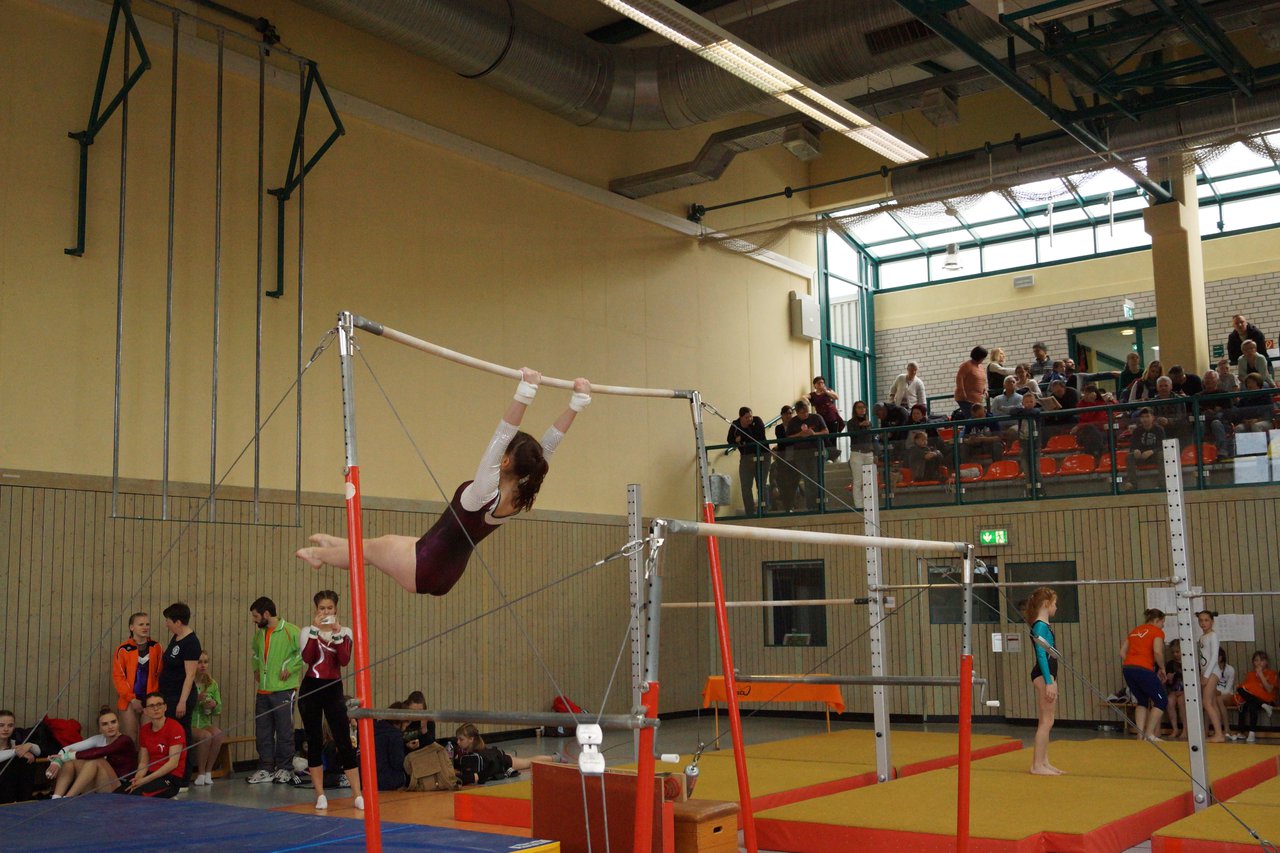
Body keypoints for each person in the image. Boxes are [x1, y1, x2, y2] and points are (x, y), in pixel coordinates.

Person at [297, 370, 591, 595]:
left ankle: (318, 555)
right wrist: (576, 403)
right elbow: (549, 446)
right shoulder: (522, 492)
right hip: (445, 573)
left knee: (371, 551)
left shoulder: (484, 492)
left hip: (422, 566)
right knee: (377, 545)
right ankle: (335, 544)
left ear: (503, 462)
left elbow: (503, 433)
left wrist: (526, 390)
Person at [299, 589, 364, 811]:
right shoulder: (307, 631)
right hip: (311, 688)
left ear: (336, 609)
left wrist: (336, 634)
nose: (326, 612)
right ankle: (320, 794)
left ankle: (357, 794)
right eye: (322, 608)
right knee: (314, 739)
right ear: (316, 609)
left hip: (333, 687)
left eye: (329, 608)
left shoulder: (345, 631)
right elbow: (308, 658)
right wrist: (314, 630)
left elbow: (344, 660)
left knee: (343, 739)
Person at [247, 596, 303, 785]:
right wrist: (256, 669)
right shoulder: (260, 634)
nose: (254, 620)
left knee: (284, 731)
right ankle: (266, 768)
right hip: (263, 690)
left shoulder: (291, 631)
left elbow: (303, 653)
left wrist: (290, 668)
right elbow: (255, 654)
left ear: (266, 614)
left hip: (284, 690)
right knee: (263, 732)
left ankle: (285, 768)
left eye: (256, 616)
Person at [46, 706, 136, 798]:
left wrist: (66, 756)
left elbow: (102, 751)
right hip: (102, 784)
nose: (110, 726)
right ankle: (56, 797)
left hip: (121, 788)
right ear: (100, 729)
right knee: (70, 760)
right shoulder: (98, 739)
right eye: (105, 724)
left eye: (113, 722)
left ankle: (68, 798)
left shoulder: (125, 740)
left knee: (97, 760)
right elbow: (68, 749)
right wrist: (56, 762)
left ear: (118, 724)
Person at [158, 601, 200, 789]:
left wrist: (182, 701)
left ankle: (183, 778)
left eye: (168, 620)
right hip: (169, 695)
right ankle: (170, 774)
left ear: (178, 622)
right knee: (171, 736)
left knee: (182, 737)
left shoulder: (191, 642)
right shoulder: (176, 637)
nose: (166, 624)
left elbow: (190, 675)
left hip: (180, 697)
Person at [1026, 587, 1063, 775]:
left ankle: (1044, 761)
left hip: (1046, 674)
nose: (1056, 607)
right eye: (1054, 604)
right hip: (1043, 674)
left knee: (1047, 721)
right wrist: (1049, 681)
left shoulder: (1043, 625)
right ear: (1046, 604)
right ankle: (1037, 765)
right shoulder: (1040, 626)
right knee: (1046, 722)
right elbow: (1041, 655)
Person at [120, 693, 186, 798]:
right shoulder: (145, 730)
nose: (156, 708)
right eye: (151, 706)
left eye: (159, 704)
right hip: (150, 773)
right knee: (120, 793)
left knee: (136, 795)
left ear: (165, 707)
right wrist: (138, 779)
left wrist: (144, 780)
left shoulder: (175, 727)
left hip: (170, 777)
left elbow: (173, 763)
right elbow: (144, 762)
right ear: (145, 711)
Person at [112, 612, 161, 745]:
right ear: (131, 627)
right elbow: (118, 677)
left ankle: (145, 760)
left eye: (147, 624)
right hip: (129, 700)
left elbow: (158, 674)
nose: (145, 627)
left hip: (150, 699)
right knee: (130, 738)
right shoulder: (123, 649)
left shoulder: (156, 647)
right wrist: (132, 699)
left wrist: (152, 699)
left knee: (147, 739)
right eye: (141, 624)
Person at [1120, 609, 1168, 742]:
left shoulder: (1135, 631)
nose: (1163, 625)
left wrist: (1131, 662)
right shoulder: (1157, 632)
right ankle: (1149, 734)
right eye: (1162, 622)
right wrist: (1162, 668)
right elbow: (1157, 652)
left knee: (1142, 700)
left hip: (1128, 669)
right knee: (1161, 700)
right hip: (1144, 669)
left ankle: (1140, 735)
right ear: (1157, 620)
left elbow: (1122, 651)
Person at [452, 723, 551, 786]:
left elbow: (480, 774)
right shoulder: (468, 752)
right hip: (497, 758)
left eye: (461, 739)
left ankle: (553, 758)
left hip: (503, 761)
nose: (458, 742)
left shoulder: (480, 755)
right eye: (457, 739)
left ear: (471, 739)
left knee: (528, 762)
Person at [190, 652, 226, 786]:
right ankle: (200, 772)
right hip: (189, 723)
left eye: (205, 662)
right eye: (199, 662)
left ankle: (208, 771)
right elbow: (181, 706)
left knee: (218, 734)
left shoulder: (212, 683)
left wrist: (213, 705)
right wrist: (195, 699)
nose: (203, 665)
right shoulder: (187, 681)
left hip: (204, 722)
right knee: (205, 736)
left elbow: (218, 710)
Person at [785, 400, 828, 511]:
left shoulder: (816, 417)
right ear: (797, 412)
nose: (805, 414)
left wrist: (814, 433)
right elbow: (788, 437)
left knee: (816, 478)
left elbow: (826, 431)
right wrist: (800, 434)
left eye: (807, 411)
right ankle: (811, 506)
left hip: (816, 452)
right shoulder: (793, 422)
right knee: (807, 480)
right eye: (802, 413)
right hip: (800, 454)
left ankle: (820, 504)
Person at [726, 407, 767, 516]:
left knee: (761, 484)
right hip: (745, 457)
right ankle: (750, 512)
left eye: (750, 416)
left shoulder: (757, 421)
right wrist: (736, 440)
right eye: (746, 417)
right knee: (745, 486)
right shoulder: (735, 425)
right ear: (741, 417)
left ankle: (764, 511)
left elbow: (759, 437)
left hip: (762, 456)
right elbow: (730, 440)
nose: (750, 419)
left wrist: (744, 435)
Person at [1197, 611, 1226, 743]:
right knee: (1212, 703)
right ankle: (1217, 731)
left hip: (1212, 672)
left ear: (1212, 621)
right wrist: (1202, 673)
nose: (1203, 623)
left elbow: (1214, 657)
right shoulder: (1203, 637)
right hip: (1207, 672)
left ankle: (1219, 734)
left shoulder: (1213, 635)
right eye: (1201, 620)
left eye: (1206, 620)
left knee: (1206, 702)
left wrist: (1206, 676)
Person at [1234, 651, 1277, 743]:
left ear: (1266, 662)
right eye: (1256, 660)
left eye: (1262, 660)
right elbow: (1247, 690)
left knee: (1250, 702)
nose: (1259, 662)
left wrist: (1261, 675)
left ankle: (1251, 733)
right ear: (1253, 662)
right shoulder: (1250, 674)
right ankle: (1243, 732)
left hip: (1268, 699)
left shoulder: (1272, 673)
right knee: (1243, 696)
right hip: (1255, 699)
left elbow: (1269, 690)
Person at [0, 710, 41, 804]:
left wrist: (29, 745)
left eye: (10, 725)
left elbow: (38, 752)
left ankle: (23, 800)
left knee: (25, 759)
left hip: (12, 787)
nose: (6, 729)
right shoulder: (15, 748)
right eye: (1, 725)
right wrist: (16, 752)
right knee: (13, 759)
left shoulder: (14, 742)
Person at [1123, 408, 1164, 491]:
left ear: (1153, 418)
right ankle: (1132, 484)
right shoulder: (1137, 430)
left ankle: (1162, 484)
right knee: (1129, 457)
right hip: (1141, 457)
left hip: (1154, 456)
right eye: (1142, 417)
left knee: (1162, 455)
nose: (1145, 419)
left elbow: (1163, 446)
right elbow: (1132, 447)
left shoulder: (1159, 429)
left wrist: (1152, 451)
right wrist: (1135, 451)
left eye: (1147, 416)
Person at [372, 703, 409, 791]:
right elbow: (398, 763)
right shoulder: (395, 735)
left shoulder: (374, 728)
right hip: (383, 781)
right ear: (401, 721)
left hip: (365, 779)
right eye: (407, 722)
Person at [809, 377, 845, 460]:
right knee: (824, 438)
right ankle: (830, 455)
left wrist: (825, 391)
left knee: (833, 437)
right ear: (814, 385)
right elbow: (805, 397)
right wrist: (804, 399)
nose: (821, 384)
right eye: (818, 383)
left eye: (822, 382)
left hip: (832, 418)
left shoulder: (828, 391)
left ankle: (833, 457)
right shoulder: (813, 395)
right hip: (822, 420)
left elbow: (836, 397)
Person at [770, 404, 797, 512]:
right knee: (784, 482)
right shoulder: (779, 428)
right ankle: (787, 506)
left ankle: (791, 504)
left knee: (793, 482)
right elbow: (782, 442)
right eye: (786, 414)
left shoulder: (795, 426)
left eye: (790, 413)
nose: (788, 416)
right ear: (782, 415)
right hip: (783, 458)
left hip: (794, 457)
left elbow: (794, 442)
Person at [953, 346, 988, 420]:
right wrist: (962, 392)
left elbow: (982, 380)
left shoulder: (981, 367)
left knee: (978, 418)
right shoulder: (966, 365)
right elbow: (959, 379)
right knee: (972, 418)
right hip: (966, 399)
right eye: (983, 357)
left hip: (977, 399)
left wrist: (985, 390)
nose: (984, 359)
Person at [1212, 648, 1239, 741]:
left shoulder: (1230, 669)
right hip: (1215, 695)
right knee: (1212, 700)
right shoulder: (1212, 670)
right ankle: (1215, 730)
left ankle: (1227, 728)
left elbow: (1228, 689)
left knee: (1218, 699)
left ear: (1220, 658)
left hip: (1228, 695)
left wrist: (1218, 692)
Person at [1166, 640, 1185, 739]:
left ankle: (1185, 729)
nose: (1175, 654)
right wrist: (1169, 679)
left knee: (1182, 702)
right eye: (1173, 652)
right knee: (1169, 701)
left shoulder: (1190, 663)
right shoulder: (1170, 664)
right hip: (1174, 690)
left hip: (1186, 691)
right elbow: (1168, 683)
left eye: (1177, 652)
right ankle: (1175, 729)